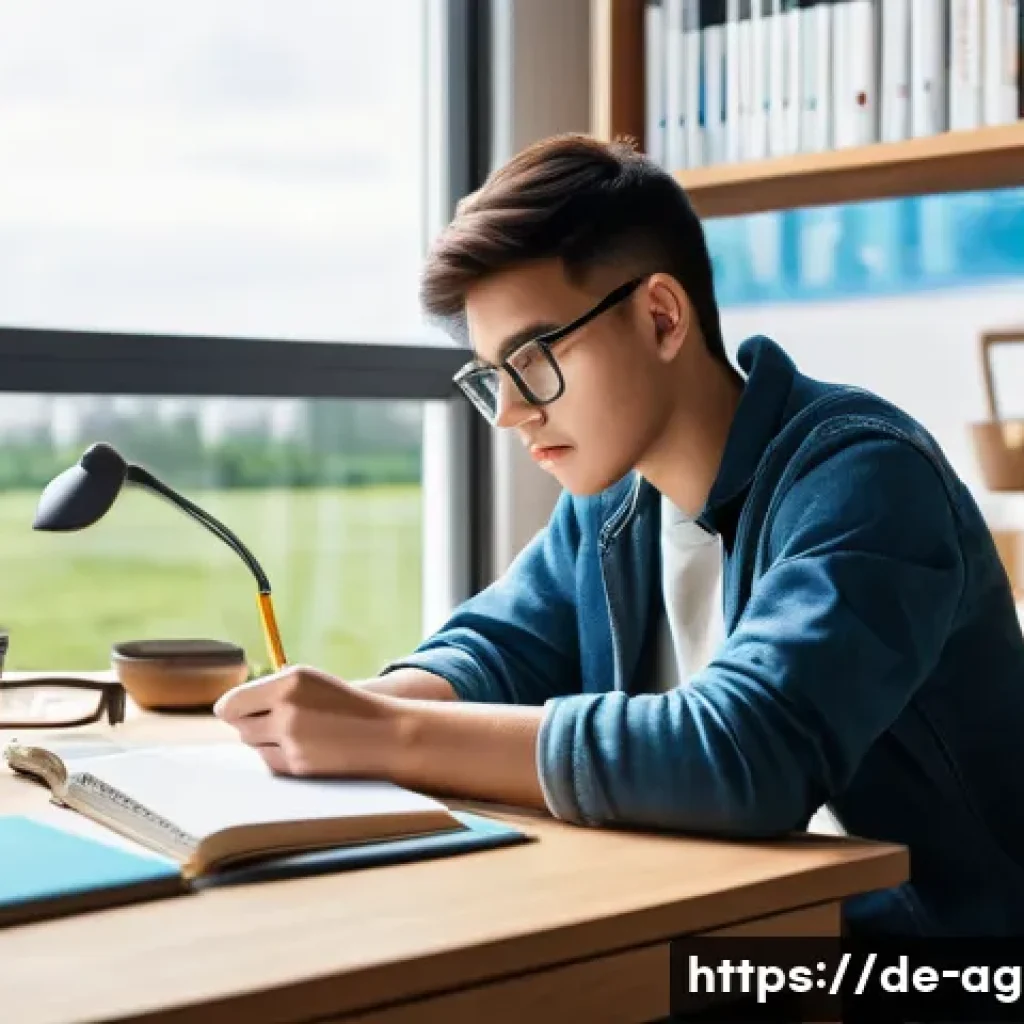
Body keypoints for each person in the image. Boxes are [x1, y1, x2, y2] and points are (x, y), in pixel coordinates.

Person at [214, 133, 1024, 938]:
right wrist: (339, 717)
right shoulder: (614, 502)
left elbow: (745, 753)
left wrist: (383, 736)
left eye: (532, 358)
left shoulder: (865, 477)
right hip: (732, 936)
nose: (508, 412)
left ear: (661, 318)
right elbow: (498, 652)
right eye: (490, 375)